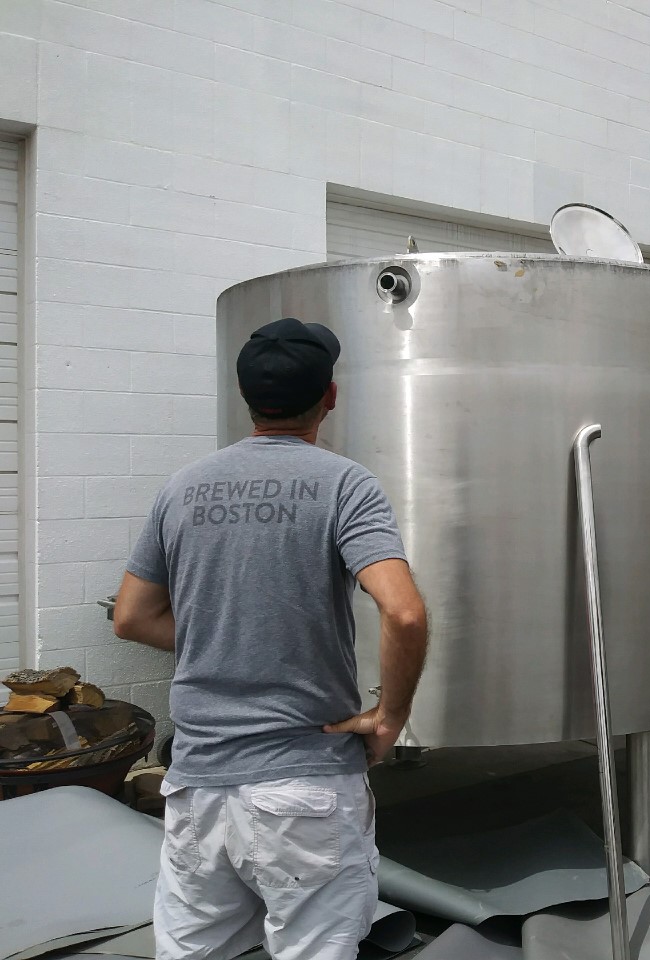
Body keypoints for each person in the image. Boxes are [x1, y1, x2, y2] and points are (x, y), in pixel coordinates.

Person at [113, 317, 429, 960]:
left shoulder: (182, 488)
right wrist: (389, 717)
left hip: (198, 785)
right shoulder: (345, 484)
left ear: (245, 398)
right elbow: (403, 613)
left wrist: (224, 640)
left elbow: (132, 617)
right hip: (306, 787)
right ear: (330, 396)